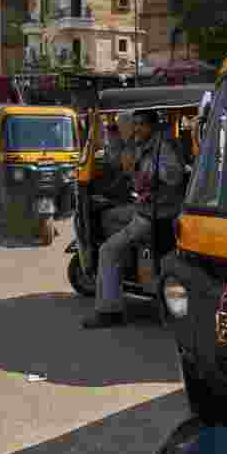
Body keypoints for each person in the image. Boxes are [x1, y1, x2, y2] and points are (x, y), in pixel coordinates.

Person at [83, 109, 185, 329]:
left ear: (152, 126)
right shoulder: (141, 143)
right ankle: (129, 265)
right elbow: (116, 157)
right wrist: (110, 128)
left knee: (107, 251)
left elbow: (174, 175)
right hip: (143, 207)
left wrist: (141, 168)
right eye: (135, 123)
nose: (136, 128)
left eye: (141, 124)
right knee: (109, 216)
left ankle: (109, 311)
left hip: (156, 214)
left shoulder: (163, 147)